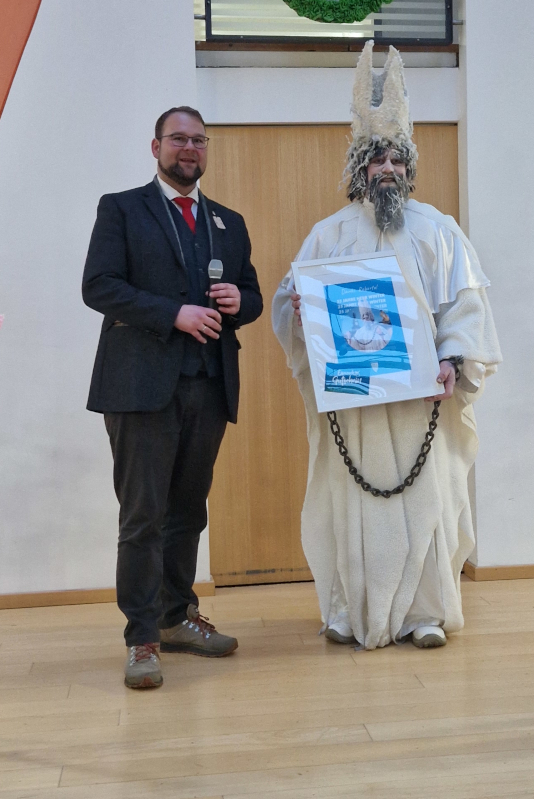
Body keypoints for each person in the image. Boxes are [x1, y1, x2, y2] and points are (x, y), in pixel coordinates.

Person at [272, 42, 502, 651]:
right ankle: (353, 611)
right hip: (357, 406)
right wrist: (299, 312)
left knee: (426, 505)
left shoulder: (440, 231)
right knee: (355, 506)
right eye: (375, 157)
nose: (387, 168)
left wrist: (454, 359)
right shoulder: (329, 235)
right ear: (358, 168)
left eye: (397, 156)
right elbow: (291, 303)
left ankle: (425, 613)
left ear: (409, 165)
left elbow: (467, 307)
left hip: (421, 400)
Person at [83, 105, 263, 688]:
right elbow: (99, 287)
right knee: (143, 517)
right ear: (155, 146)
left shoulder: (228, 222)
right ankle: (142, 640)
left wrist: (240, 301)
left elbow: (253, 297)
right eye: (178, 139)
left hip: (208, 388)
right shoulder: (121, 209)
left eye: (199, 140)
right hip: (139, 388)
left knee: (188, 512)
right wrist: (174, 314)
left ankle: (178, 616)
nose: (189, 148)